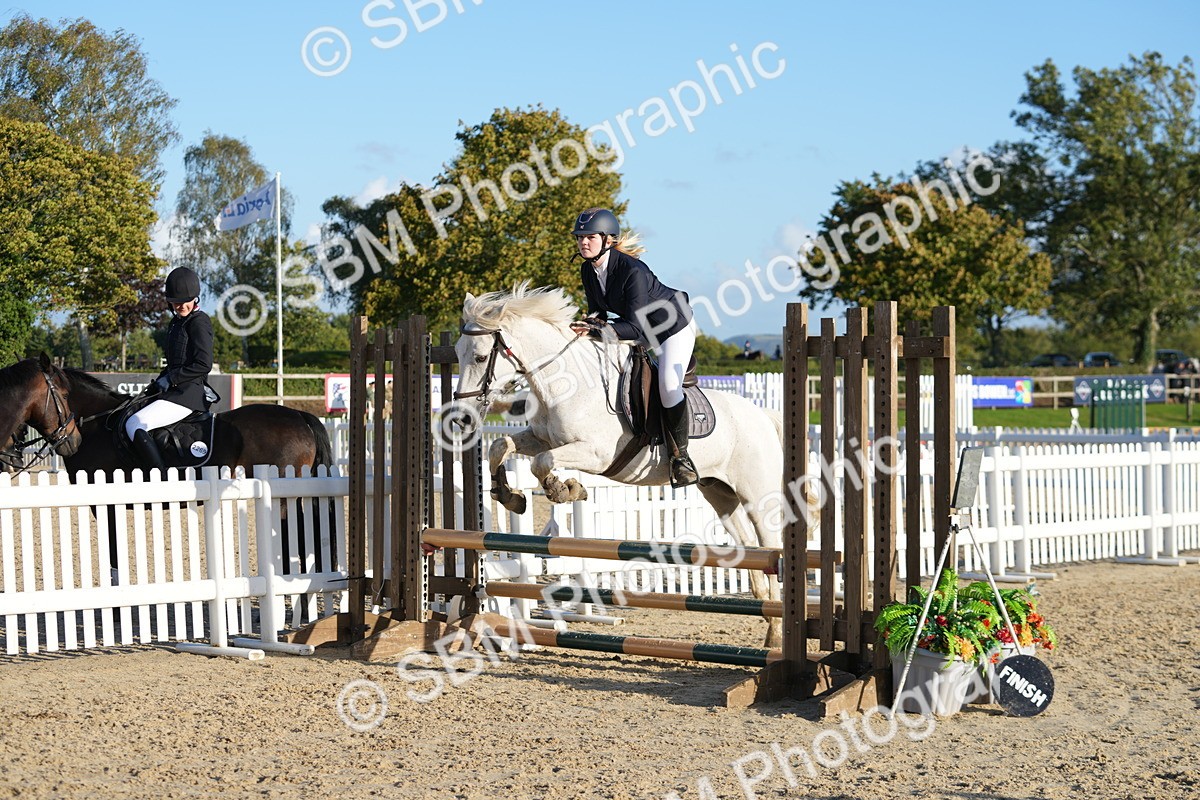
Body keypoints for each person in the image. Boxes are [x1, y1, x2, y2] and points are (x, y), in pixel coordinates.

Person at [567, 208, 698, 487]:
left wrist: (599, 328)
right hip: (640, 329)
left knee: (667, 385)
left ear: (608, 240)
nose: (583, 243)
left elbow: (636, 329)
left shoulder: (632, 270)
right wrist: (586, 324)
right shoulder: (588, 270)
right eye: (579, 237)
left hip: (672, 327)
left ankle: (681, 458)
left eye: (590, 237)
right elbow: (598, 313)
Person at [124, 266, 214, 472]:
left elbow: (203, 364)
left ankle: (161, 480)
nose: (180, 306)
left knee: (135, 424)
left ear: (195, 299)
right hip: (174, 391)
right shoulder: (176, 323)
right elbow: (175, 362)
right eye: (175, 302)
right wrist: (160, 381)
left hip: (188, 394)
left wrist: (171, 379)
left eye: (185, 301)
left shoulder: (199, 322)